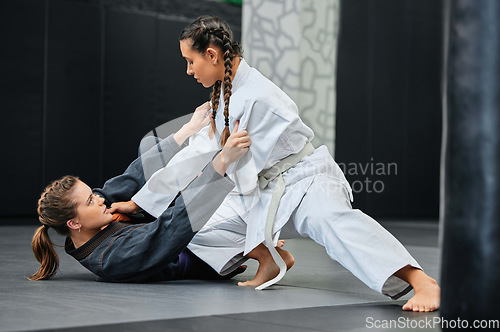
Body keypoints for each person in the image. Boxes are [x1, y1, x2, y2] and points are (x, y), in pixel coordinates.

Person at [129, 15, 440, 311]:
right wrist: (142, 203)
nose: (188, 70)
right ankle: (268, 256)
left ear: (211, 55)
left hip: (304, 181)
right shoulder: (224, 91)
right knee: (192, 223)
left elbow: (226, 164)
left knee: (332, 223)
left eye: (190, 61)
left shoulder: (256, 97)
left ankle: (420, 280)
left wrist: (157, 195)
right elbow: (197, 153)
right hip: (259, 189)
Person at [29, 105, 260, 282]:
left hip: (168, 223)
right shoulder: (112, 258)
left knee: (150, 144)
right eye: (91, 200)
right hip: (195, 249)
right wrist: (221, 163)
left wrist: (187, 130)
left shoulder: (91, 219)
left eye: (93, 194)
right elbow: (172, 228)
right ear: (74, 223)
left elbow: (130, 178)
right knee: (218, 189)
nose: (99, 199)